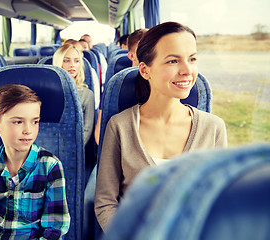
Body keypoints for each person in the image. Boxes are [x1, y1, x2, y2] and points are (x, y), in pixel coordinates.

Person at [95, 22, 227, 231]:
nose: (187, 70)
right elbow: (106, 203)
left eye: (192, 59)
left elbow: (218, 204)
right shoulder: (119, 127)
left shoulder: (213, 128)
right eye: (173, 61)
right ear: (145, 70)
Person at [0, 84, 70, 240]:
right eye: (18, 122)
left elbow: (55, 229)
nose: (28, 130)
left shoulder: (50, 166)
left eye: (35, 122)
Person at [53, 44, 95, 145]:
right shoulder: (49, 93)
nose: (72, 65)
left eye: (77, 61)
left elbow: (87, 129)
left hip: (74, 148)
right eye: (66, 61)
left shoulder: (87, 95)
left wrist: (72, 148)